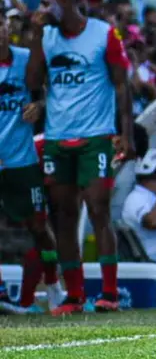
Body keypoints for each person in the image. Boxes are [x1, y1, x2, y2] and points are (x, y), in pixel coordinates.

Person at [27, 0, 134, 315]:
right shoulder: (46, 36)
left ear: (68, 0)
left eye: (49, 3)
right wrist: (34, 37)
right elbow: (32, 82)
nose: (44, 10)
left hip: (96, 137)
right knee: (64, 216)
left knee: (99, 209)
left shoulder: (103, 34)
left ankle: (110, 293)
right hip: (58, 139)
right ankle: (74, 296)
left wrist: (126, 132)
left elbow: (121, 85)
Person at [0, 16, 61, 315]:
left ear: (7, 28)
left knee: (39, 227)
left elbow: (56, 94)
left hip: (22, 160)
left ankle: (53, 288)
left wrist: (41, 106)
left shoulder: (26, 60)